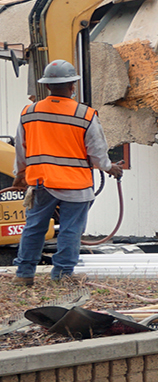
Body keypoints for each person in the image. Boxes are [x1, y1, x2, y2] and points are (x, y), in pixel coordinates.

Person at [11, 60, 122, 285]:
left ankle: (24, 274)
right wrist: (112, 168)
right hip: (76, 186)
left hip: (41, 183)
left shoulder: (29, 112)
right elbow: (98, 156)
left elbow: (21, 149)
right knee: (71, 231)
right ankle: (62, 276)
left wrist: (20, 175)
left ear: (48, 86)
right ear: (72, 85)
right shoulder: (85, 115)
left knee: (34, 228)